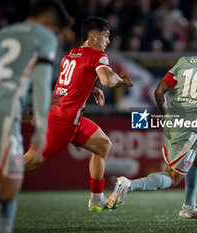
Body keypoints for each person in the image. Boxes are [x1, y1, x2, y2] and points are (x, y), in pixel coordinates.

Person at [107, 32, 197, 220]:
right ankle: (128, 185)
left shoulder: (184, 62)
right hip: (189, 124)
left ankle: (189, 207)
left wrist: (168, 115)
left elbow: (159, 91)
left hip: (176, 118)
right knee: (173, 177)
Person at [23, 16, 133, 213]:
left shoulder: (72, 53)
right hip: (63, 121)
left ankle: (97, 199)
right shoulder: (97, 55)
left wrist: (91, 89)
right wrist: (122, 81)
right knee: (29, 163)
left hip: (71, 117)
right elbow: (108, 81)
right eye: (106, 36)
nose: (108, 41)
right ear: (93, 36)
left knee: (102, 145)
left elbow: (71, 81)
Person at [0, 1, 71, 232]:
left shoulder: (1, 34)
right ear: (46, 23)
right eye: (55, 31)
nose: (55, 37)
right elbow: (42, 83)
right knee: (8, 190)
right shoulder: (44, 37)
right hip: (4, 115)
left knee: (6, 185)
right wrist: (41, 126)